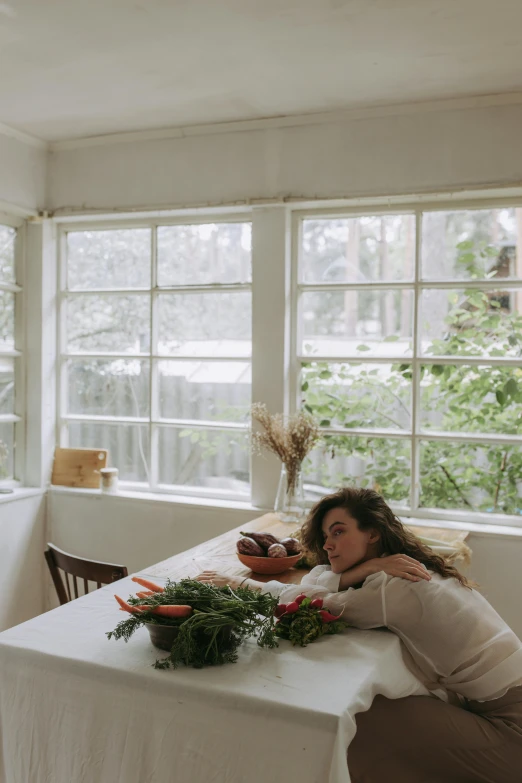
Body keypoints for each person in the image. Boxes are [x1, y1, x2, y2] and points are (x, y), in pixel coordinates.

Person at [197, 487, 522, 783]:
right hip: (492, 707)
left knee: (356, 723)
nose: (328, 544)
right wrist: (365, 568)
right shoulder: (408, 570)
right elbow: (318, 582)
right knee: (368, 717)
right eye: (325, 536)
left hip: (512, 731)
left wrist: (241, 584)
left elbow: (310, 601)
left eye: (339, 531)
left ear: (373, 534)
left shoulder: (397, 589)